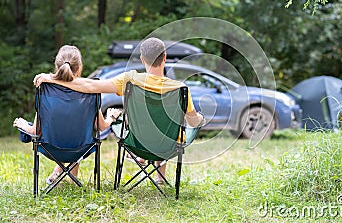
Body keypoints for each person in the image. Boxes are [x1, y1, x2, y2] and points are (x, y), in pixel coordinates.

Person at [33, 38, 205, 185]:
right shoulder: (181, 89)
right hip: (167, 146)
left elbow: (90, 85)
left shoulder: (130, 80)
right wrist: (200, 119)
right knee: (166, 128)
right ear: (165, 58)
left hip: (137, 143)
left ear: (143, 59)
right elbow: (192, 122)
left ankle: (150, 164)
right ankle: (160, 178)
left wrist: (53, 78)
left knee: (148, 127)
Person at [14, 45, 122, 185]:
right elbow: (101, 127)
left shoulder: (45, 89)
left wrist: (23, 125)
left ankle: (60, 173)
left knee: (65, 132)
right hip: (81, 147)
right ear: (79, 66)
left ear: (57, 65)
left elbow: (35, 131)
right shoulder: (90, 90)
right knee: (75, 133)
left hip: (50, 146)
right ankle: (70, 178)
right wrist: (111, 117)